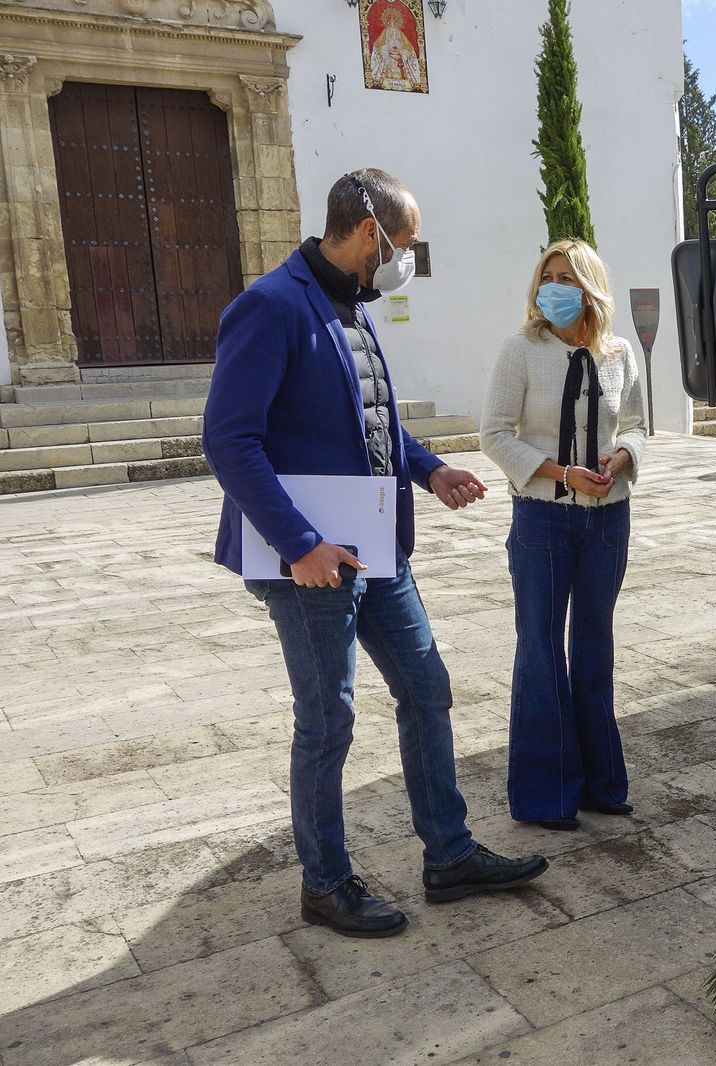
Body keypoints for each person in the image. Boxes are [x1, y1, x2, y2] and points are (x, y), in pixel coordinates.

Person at [203, 169, 549, 939]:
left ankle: (449, 854)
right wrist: (299, 544)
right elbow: (228, 439)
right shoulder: (270, 307)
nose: (408, 258)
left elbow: (372, 420)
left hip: (376, 544)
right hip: (310, 563)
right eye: (407, 242)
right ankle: (325, 883)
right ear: (371, 233)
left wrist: (430, 471)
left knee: (426, 687)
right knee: (327, 721)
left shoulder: (353, 308)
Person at [479, 239, 646, 832]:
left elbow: (638, 425)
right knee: (542, 650)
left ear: (590, 287)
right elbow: (495, 434)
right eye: (546, 276)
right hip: (542, 519)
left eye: (567, 278)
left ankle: (603, 784)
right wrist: (559, 472)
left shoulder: (621, 353)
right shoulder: (520, 350)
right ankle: (545, 795)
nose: (553, 287)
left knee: (594, 647)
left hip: (607, 519)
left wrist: (621, 458)